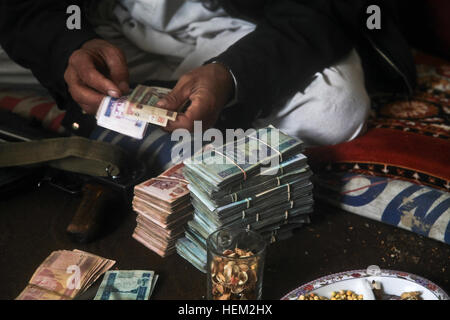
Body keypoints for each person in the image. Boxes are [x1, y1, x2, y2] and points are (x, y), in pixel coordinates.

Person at [0, 0, 416, 171]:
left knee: (334, 109)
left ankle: (210, 110)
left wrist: (232, 75)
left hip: (245, 25)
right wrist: (70, 45)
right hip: (101, 20)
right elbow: (25, 10)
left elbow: (331, 7)